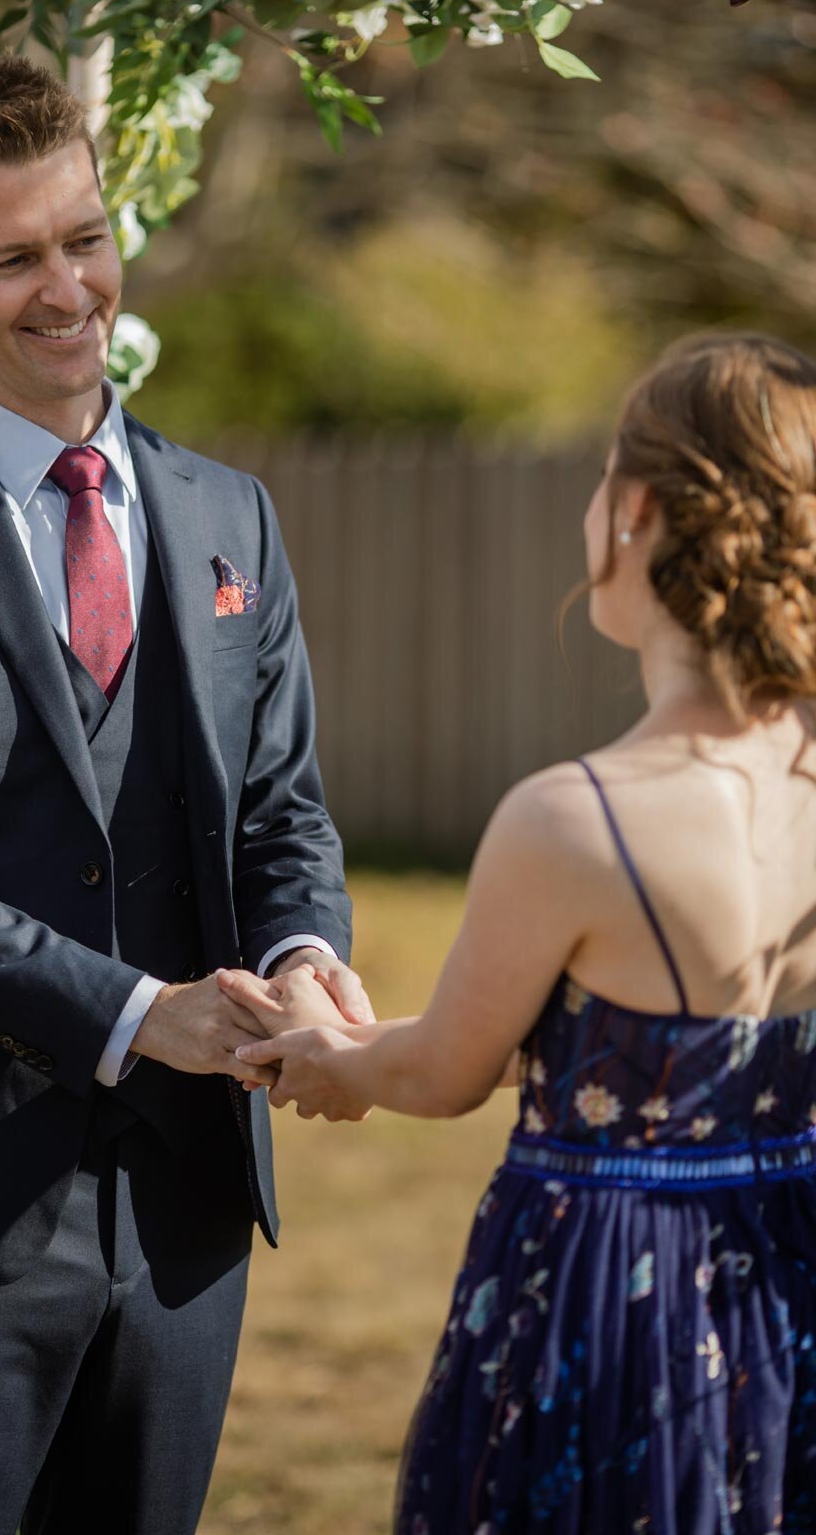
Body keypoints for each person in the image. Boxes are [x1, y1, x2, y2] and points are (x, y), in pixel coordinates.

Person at [0, 53, 370, 1535]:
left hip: (186, 1227)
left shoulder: (231, 514)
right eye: (12, 256)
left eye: (84, 239)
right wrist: (133, 1014)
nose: (66, 289)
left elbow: (279, 806)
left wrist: (300, 954)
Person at [229, 331, 816, 1532]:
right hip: (790, 1273)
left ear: (636, 511)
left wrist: (325, 1054)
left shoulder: (572, 819)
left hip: (613, 1303)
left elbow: (449, 1068)